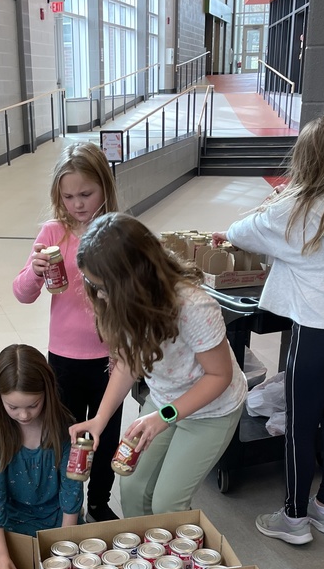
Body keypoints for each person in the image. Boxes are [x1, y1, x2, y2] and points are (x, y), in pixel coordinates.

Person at [214, 113, 324, 545]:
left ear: (306, 159)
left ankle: (293, 519)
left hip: (320, 332)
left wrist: (276, 200)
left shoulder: (295, 207)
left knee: (300, 428)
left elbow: (237, 232)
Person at [70, 213, 247, 518]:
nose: (98, 294)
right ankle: (148, 557)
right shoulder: (122, 304)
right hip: (163, 403)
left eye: (103, 286)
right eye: (92, 283)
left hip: (210, 411)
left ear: (132, 281)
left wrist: (164, 416)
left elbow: (219, 375)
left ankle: (177, 563)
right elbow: (128, 361)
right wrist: (100, 419)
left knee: (168, 504)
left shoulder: (193, 306)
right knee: (132, 489)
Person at [12, 142, 121, 522]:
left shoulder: (117, 230)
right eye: (68, 196)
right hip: (64, 357)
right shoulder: (52, 232)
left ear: (105, 187)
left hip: (111, 358)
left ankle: (100, 499)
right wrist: (35, 272)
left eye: (86, 194)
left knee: (106, 435)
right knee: (65, 436)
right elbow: (22, 295)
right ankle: (66, 500)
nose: (77, 204)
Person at [0, 344, 83, 569]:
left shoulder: (66, 429)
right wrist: (0, 557)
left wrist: (65, 544)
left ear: (47, 393)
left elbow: (72, 490)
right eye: (13, 407)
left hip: (59, 518)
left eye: (33, 405)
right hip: (13, 522)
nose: (24, 415)